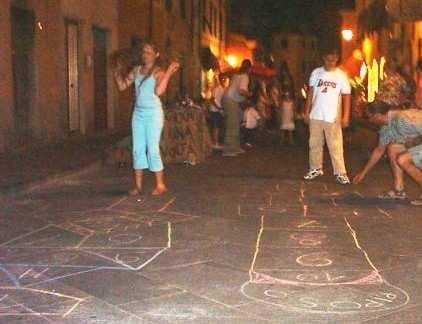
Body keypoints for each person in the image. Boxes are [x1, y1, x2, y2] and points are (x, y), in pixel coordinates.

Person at [113, 41, 180, 196]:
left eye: (149, 52)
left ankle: (160, 185)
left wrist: (169, 72)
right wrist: (117, 71)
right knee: (137, 148)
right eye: (144, 52)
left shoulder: (158, 72)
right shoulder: (137, 70)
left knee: (152, 148)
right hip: (138, 113)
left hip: (153, 113)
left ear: (156, 55)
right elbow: (123, 86)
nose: (145, 55)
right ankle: (138, 186)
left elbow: (159, 91)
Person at [353, 101, 422, 205]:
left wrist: (414, 142)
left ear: (377, 115)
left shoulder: (403, 119)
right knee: (393, 148)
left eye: (369, 117)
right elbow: (379, 150)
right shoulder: (387, 128)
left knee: (403, 160)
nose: (369, 121)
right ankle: (399, 190)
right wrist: (363, 172)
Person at [303, 48, 352, 184]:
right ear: (324, 58)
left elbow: (347, 95)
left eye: (334, 59)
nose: (331, 62)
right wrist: (306, 111)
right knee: (314, 143)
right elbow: (311, 93)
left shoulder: (341, 75)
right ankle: (315, 168)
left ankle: (340, 172)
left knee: (335, 144)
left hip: (332, 115)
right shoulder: (316, 73)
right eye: (329, 59)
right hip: (316, 114)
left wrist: (346, 116)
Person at [222, 59, 252, 157]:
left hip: (227, 98)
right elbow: (241, 91)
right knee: (233, 124)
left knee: (237, 120)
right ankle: (228, 149)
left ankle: (235, 146)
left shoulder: (236, 75)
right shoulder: (245, 77)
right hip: (231, 100)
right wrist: (249, 94)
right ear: (249, 69)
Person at [209, 74, 226, 149]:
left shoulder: (222, 88)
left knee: (217, 126)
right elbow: (212, 99)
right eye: (223, 79)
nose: (224, 80)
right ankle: (215, 143)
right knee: (216, 127)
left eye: (225, 79)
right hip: (215, 110)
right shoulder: (218, 88)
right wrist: (218, 108)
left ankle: (215, 142)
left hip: (217, 110)